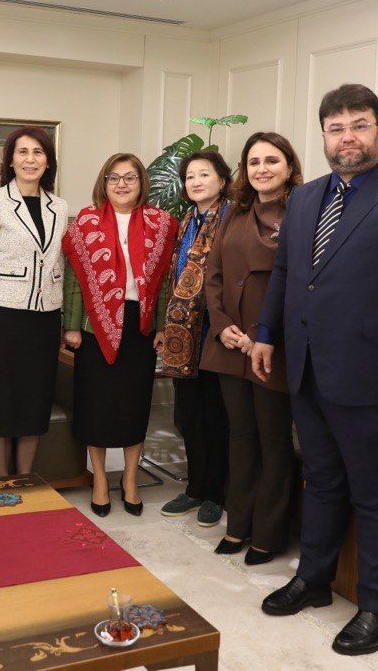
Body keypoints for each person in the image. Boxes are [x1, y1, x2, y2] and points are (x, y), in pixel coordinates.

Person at [251, 84, 378, 656]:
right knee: (321, 481)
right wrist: (267, 334)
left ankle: (377, 608)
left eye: (359, 125)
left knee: (377, 494)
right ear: (323, 135)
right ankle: (314, 580)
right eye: (337, 128)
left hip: (374, 375)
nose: (348, 137)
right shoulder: (304, 198)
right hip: (308, 368)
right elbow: (287, 274)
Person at [200, 133, 302, 565]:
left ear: (289, 166)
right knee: (239, 436)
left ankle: (268, 534)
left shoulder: (303, 212)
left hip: (273, 347)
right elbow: (214, 273)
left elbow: (299, 283)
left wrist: (262, 335)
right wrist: (222, 324)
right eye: (254, 161)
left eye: (271, 160)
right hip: (229, 343)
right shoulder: (235, 212)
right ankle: (237, 525)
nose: (262, 169)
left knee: (273, 439)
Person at [62, 154, 177, 517]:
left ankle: (129, 479)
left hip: (139, 325)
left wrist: (161, 326)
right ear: (104, 182)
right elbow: (76, 280)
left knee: (133, 405)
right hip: (94, 327)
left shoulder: (161, 223)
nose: (122, 184)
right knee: (95, 405)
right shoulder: (86, 223)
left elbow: (163, 281)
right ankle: (99, 478)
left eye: (130, 177)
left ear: (142, 183)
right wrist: (72, 326)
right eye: (114, 177)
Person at [0, 127, 68, 476]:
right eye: (22, 152)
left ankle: (25, 480)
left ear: (48, 161)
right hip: (2, 317)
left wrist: (64, 320)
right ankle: (2, 480)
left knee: (35, 400)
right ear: (10, 160)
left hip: (44, 319)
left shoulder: (59, 206)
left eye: (38, 152)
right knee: (1, 400)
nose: (30, 159)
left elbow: (59, 264)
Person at [158, 150, 231, 528]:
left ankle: (215, 494)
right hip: (182, 337)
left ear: (222, 180)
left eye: (204, 174)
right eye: (190, 176)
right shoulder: (187, 219)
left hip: (215, 334)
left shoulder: (231, 217)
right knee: (189, 415)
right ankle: (195, 487)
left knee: (215, 416)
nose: (196, 182)